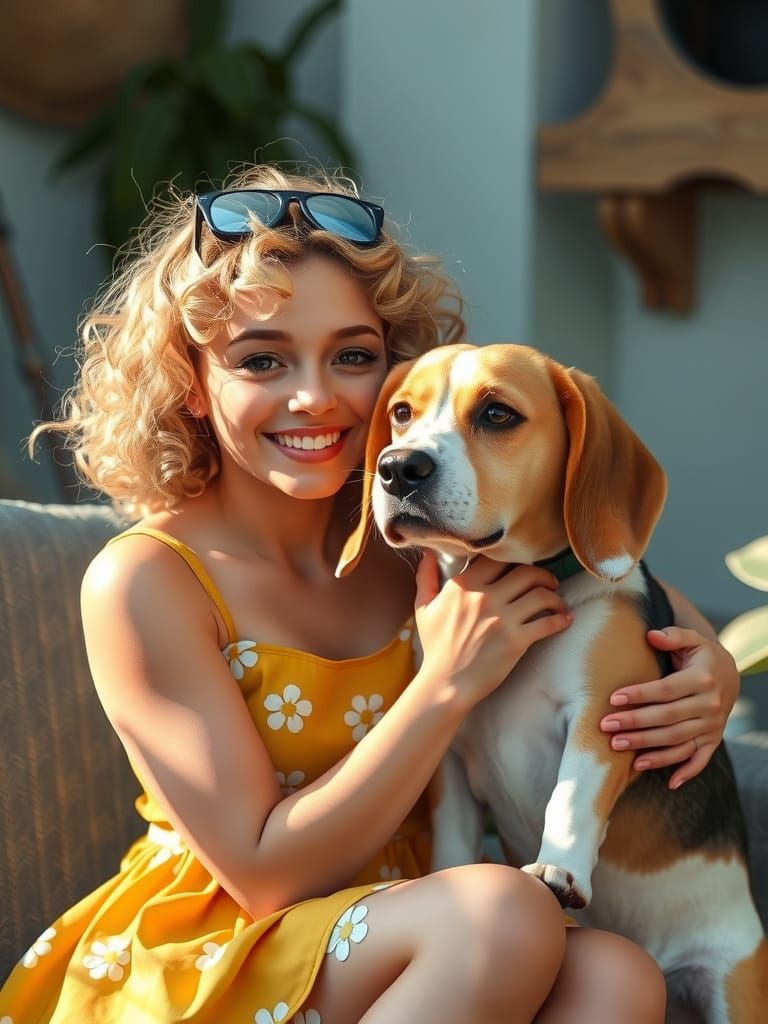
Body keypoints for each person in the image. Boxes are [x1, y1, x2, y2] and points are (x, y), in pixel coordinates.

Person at [2, 164, 738, 1024]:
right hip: (227, 953)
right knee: (503, 910)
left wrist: (710, 675)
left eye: (352, 356)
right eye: (262, 359)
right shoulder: (147, 580)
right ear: (191, 383)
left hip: (428, 937)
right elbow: (264, 875)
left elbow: (628, 590)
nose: (314, 396)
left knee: (617, 975)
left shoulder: (418, 533)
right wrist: (445, 683)